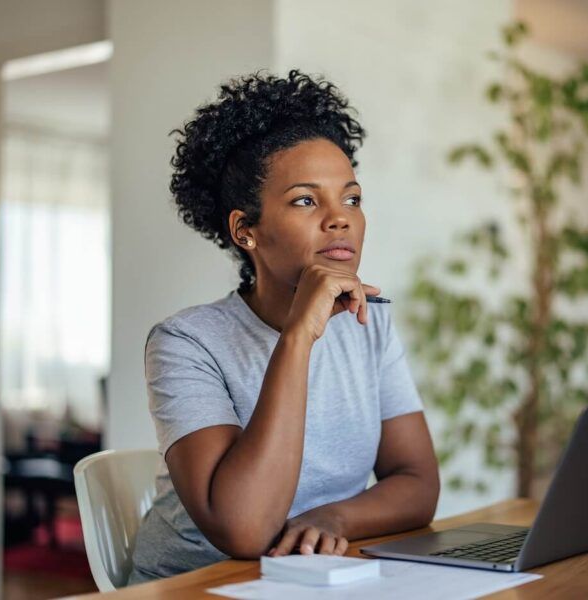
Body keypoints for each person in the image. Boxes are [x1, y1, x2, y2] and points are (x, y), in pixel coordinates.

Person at [128, 70, 440, 583]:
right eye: (305, 200)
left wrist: (333, 516)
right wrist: (299, 336)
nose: (339, 218)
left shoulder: (371, 324)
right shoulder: (185, 343)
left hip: (316, 578)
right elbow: (245, 530)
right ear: (245, 230)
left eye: (352, 199)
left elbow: (418, 483)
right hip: (198, 583)